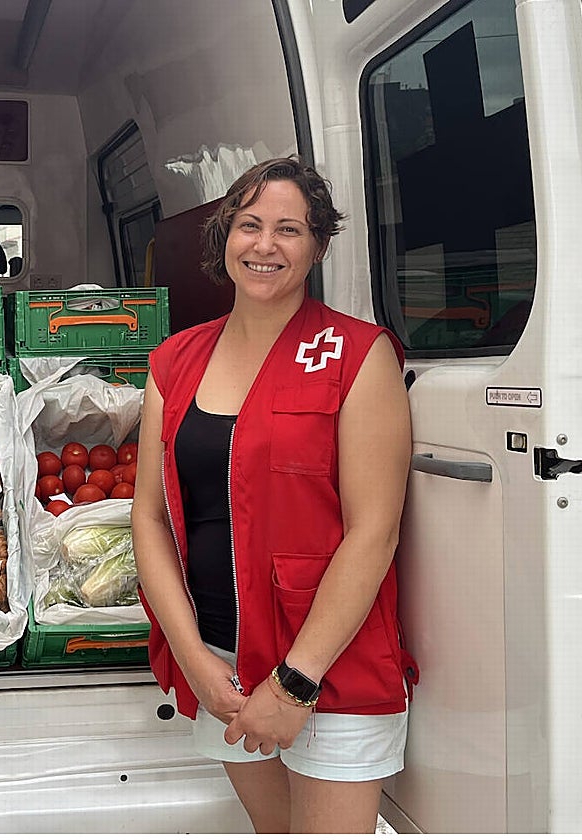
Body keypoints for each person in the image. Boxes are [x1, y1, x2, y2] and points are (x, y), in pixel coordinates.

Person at [132, 156, 416, 833]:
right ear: (224, 235)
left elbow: (373, 533)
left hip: (328, 669)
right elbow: (149, 517)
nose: (265, 245)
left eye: (290, 229)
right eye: (250, 224)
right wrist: (196, 661)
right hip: (221, 665)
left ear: (318, 246)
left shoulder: (357, 354)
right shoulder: (174, 361)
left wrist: (294, 684)